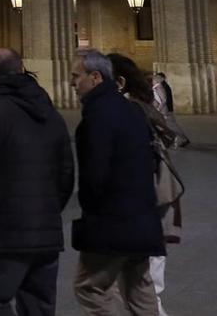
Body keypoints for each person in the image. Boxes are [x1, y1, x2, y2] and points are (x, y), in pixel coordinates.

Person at [0, 48, 74, 316]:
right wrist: (48, 212)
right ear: (22, 69)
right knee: (39, 307)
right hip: (45, 235)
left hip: (1, 235)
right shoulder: (50, 112)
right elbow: (66, 173)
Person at [70, 50, 165, 315]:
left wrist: (90, 208)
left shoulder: (97, 116)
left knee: (89, 287)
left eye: (76, 76)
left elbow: (94, 175)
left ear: (95, 77)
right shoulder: (133, 110)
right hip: (144, 218)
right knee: (140, 289)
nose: (72, 83)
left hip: (112, 221)